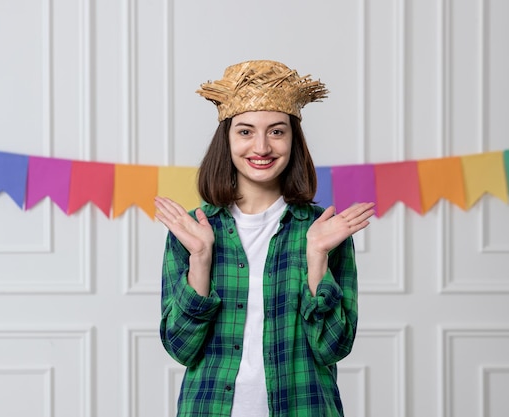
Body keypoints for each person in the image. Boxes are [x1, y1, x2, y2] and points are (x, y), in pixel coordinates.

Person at [155, 60, 375, 417]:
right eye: (245, 131)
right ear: (226, 140)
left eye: (276, 131)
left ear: (293, 140)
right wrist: (200, 259)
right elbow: (181, 348)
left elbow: (333, 347)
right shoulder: (193, 231)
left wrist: (317, 257)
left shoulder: (326, 231)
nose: (261, 146)